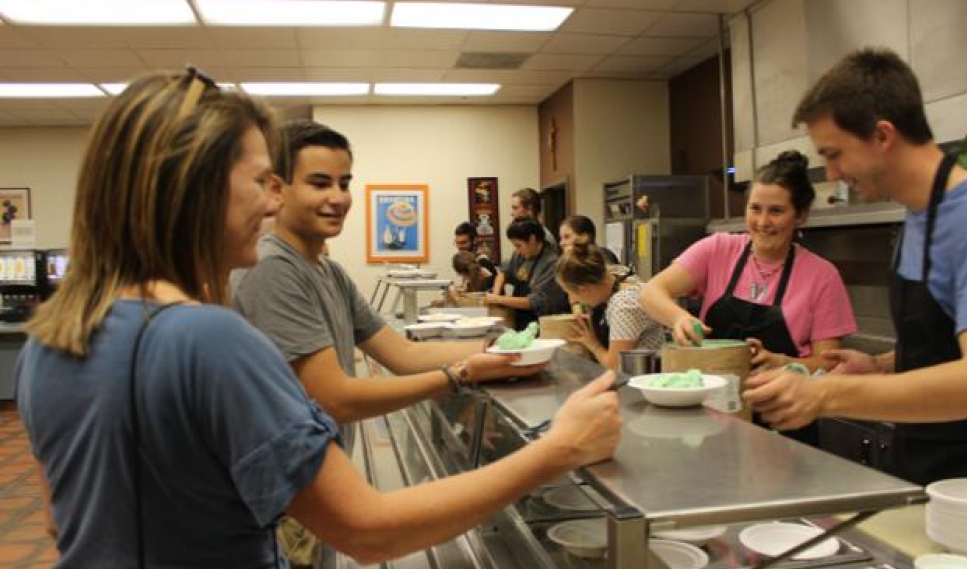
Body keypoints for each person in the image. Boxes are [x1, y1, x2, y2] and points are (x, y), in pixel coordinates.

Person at [14, 71, 622, 568]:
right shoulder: (207, 339)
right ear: (194, 187)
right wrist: (558, 450)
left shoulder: (51, 341)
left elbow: (58, 520)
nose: (273, 201)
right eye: (260, 181)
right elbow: (369, 530)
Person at [744, 47, 967, 485]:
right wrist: (879, 366)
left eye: (835, 154)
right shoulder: (917, 217)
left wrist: (827, 393)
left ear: (882, 135)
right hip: (924, 468)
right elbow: (943, 348)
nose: (833, 174)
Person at [233, 120, 540, 442]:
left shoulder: (330, 272)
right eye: (320, 184)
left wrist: (501, 350)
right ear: (277, 190)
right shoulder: (272, 269)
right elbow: (335, 398)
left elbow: (404, 355)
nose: (338, 198)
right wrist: (458, 374)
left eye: (344, 184)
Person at [639, 150, 857, 446]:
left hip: (785, 425)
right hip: (709, 424)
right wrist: (679, 318)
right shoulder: (718, 250)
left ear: (801, 214)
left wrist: (783, 362)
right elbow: (651, 292)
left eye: (776, 211)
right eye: (755, 209)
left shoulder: (822, 276)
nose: (763, 222)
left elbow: (828, 362)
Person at [555, 243, 666, 370]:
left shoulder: (624, 307)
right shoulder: (617, 273)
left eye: (571, 293)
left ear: (584, 289)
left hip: (642, 375)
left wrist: (592, 343)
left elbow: (615, 366)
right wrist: (579, 308)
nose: (574, 300)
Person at [486, 217, 569, 330]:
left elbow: (535, 302)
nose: (517, 250)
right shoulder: (520, 255)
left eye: (519, 245)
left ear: (532, 239)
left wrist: (498, 299)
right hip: (521, 321)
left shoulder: (552, 263)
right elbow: (504, 272)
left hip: (542, 324)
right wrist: (495, 293)